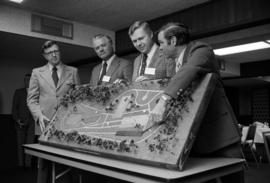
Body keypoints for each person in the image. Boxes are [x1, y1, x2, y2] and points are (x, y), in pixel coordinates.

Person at [151, 22, 243, 183]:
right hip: (196, 141)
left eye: (161, 43)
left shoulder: (201, 50)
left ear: (173, 41)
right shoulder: (173, 65)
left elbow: (190, 69)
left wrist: (164, 100)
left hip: (222, 137)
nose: (159, 48)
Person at [27, 40, 80, 183]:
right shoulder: (37, 73)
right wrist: (39, 116)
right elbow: (31, 99)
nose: (54, 54)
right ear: (44, 56)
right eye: (50, 53)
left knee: (66, 164)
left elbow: (78, 99)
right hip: (45, 124)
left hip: (67, 126)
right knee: (44, 165)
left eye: (56, 51)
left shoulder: (73, 71)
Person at [12, 74, 35, 168]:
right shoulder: (18, 92)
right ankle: (21, 165)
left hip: (33, 123)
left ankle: (28, 165)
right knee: (20, 144)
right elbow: (14, 108)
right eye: (25, 80)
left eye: (29, 80)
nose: (27, 82)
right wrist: (17, 119)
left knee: (30, 144)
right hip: (20, 122)